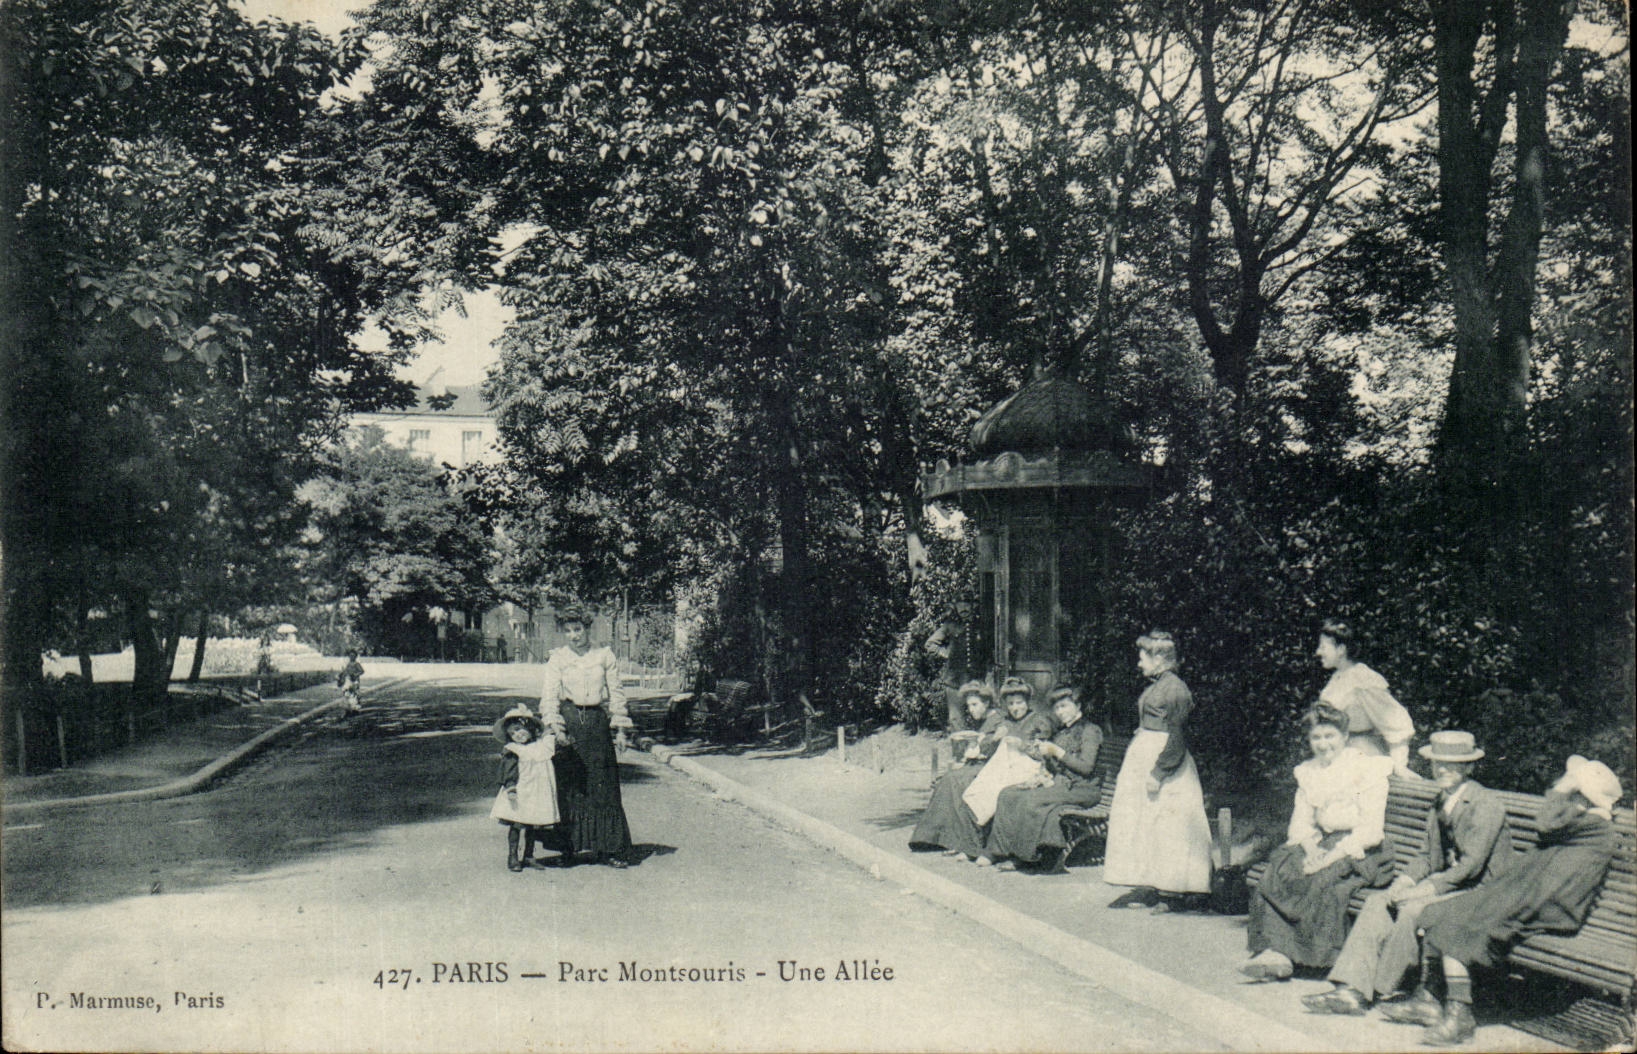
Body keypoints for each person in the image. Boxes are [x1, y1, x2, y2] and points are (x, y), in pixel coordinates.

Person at [1382, 755, 1622, 1046]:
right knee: (1440, 911)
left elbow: (1545, 821)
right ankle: (1428, 998)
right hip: (1530, 897)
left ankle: (1460, 1014)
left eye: (1572, 790)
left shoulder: (1595, 825)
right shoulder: (1583, 822)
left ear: (1583, 797)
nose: (1565, 793)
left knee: (1462, 927)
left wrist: (1561, 789)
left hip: (1547, 906)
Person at [1303, 730, 1514, 1015]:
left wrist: (1424, 890)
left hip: (1483, 891)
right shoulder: (1441, 801)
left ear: (1469, 768)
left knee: (1413, 910)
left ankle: (1380, 988)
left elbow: (1471, 866)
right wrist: (1404, 881)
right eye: (1437, 763)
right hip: (1451, 885)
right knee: (1378, 901)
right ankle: (1351, 989)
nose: (1442, 770)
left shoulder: (1485, 804)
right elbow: (1427, 855)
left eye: (1452, 765)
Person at [1242, 702, 1396, 980]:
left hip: (1361, 848)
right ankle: (1275, 951)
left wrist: (1328, 858)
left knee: (1321, 881)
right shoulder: (1309, 772)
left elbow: (1371, 830)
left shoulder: (1366, 769)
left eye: (1330, 736)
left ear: (1344, 736)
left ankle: (1306, 956)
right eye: (1316, 737)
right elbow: (1301, 822)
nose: (1323, 744)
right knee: (1280, 869)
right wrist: (1311, 849)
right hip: (1323, 842)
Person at [1103, 630, 1213, 911]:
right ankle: (1151, 885)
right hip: (1145, 757)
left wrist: (1159, 771)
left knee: (1169, 826)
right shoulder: (1158, 684)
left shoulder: (1175, 689)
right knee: (1146, 823)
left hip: (1166, 766)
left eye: (1143, 657)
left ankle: (1172, 892)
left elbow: (1178, 736)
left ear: (1160, 659)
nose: (1139, 663)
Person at [539, 605, 635, 868]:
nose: (573, 635)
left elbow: (617, 693)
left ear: (587, 628)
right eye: (568, 631)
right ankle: (568, 850)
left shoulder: (604, 655)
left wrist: (621, 730)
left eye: (578, 629)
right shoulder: (558, 658)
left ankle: (609, 849)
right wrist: (556, 727)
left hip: (596, 724)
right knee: (570, 787)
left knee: (603, 785)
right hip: (570, 724)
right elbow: (549, 695)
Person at [982, 685, 1105, 872]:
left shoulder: (1090, 730)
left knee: (1029, 800)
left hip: (1083, 789)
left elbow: (1086, 767)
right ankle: (998, 851)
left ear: (1078, 705)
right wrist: (1043, 772)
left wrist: (1056, 751)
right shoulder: (1062, 731)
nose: (1060, 712)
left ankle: (1023, 858)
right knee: (1008, 794)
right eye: (1057, 708)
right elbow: (1055, 765)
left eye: (1064, 706)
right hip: (1061, 785)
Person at [909, 681, 1004, 858]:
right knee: (949, 778)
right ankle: (936, 837)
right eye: (969, 706)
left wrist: (979, 748)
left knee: (957, 781)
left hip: (993, 767)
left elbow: (997, 749)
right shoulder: (982, 721)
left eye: (974, 704)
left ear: (986, 703)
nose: (971, 710)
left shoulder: (998, 721)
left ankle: (958, 841)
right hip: (978, 764)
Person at [1316, 619, 1416, 777]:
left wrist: (1399, 767)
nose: (1318, 652)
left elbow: (1398, 724)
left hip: (1362, 760)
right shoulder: (1338, 677)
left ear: (1341, 649)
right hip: (1336, 758)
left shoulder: (1362, 679)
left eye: (1323, 647)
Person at [488, 708, 561, 872]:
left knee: (533, 823)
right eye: (512, 733)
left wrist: (550, 729)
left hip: (537, 791)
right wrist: (511, 788)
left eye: (518, 729)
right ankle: (512, 856)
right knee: (517, 823)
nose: (517, 735)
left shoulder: (541, 747)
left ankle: (529, 855)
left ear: (529, 727)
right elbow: (509, 770)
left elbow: (550, 737)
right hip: (521, 791)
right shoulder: (514, 749)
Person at [925, 599, 976, 731]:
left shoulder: (979, 625)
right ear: (956, 607)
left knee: (978, 716)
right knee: (956, 720)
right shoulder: (950, 626)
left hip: (975, 680)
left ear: (972, 605)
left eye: (966, 604)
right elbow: (930, 644)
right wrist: (946, 653)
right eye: (960, 605)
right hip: (955, 681)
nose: (963, 608)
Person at [337, 649, 364, 714]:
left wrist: (355, 674)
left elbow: (361, 671)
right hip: (348, 680)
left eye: (353, 656)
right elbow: (345, 671)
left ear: (355, 657)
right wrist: (340, 675)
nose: (351, 657)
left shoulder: (357, 664)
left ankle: (355, 709)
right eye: (350, 656)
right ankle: (348, 709)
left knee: (354, 694)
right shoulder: (348, 664)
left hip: (355, 681)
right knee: (347, 694)